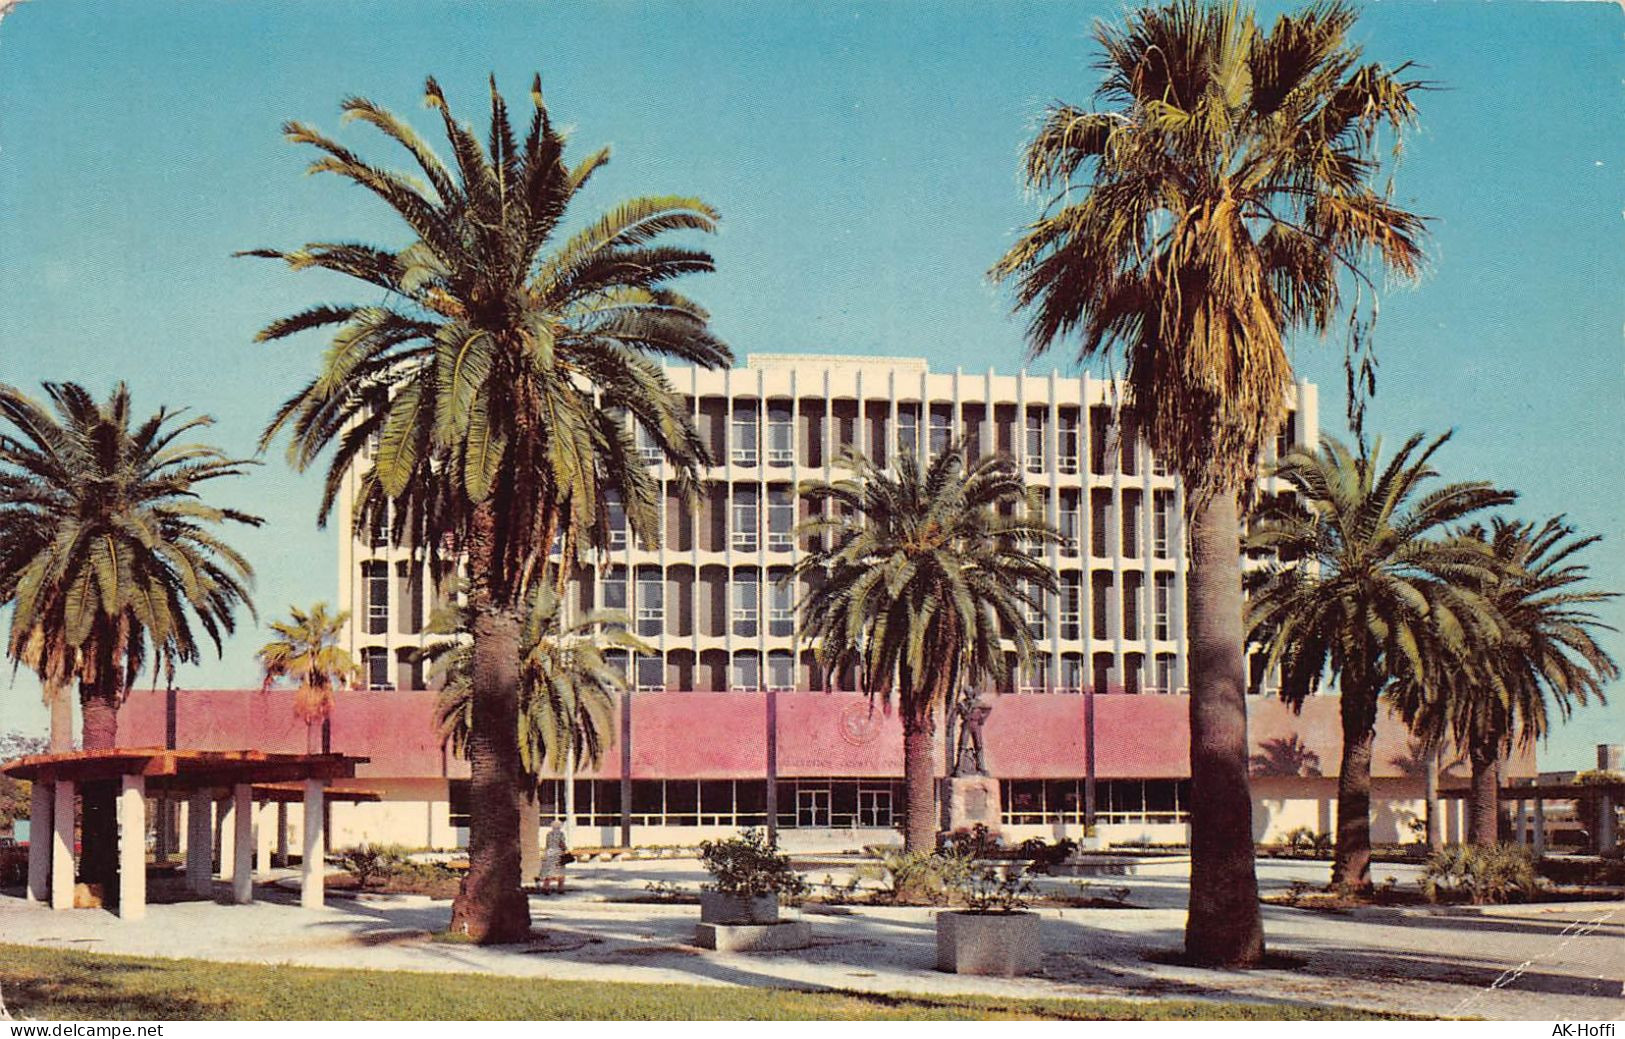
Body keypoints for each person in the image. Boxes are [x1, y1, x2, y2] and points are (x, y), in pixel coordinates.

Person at [541, 819, 569, 894]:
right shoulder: (561, 834)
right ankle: (560, 888)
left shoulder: (549, 834)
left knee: (549, 871)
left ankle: (546, 887)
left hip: (550, 853)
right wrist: (565, 850)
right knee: (561, 872)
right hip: (558, 853)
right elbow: (562, 844)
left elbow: (547, 844)